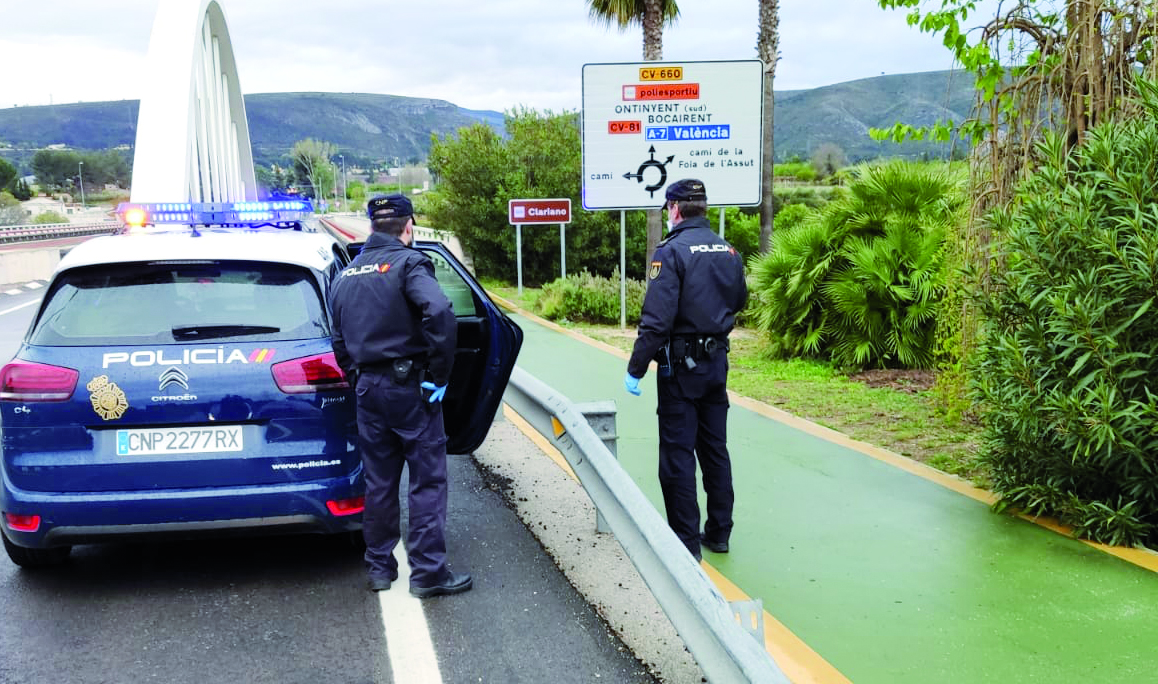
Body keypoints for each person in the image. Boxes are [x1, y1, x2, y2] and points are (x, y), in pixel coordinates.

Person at [327, 193, 471, 598]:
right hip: (410, 388)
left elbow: (338, 337)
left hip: (368, 389)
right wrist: (440, 373)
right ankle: (428, 574)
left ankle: (379, 569)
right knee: (426, 480)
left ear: (372, 227)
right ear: (409, 228)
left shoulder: (347, 274)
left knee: (379, 481)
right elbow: (440, 311)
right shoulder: (409, 263)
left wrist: (356, 376)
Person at [623, 179, 748, 562]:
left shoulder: (672, 252)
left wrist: (636, 367)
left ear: (674, 208)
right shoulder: (728, 251)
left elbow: (656, 321)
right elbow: (740, 299)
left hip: (680, 368)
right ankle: (720, 532)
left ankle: (685, 544)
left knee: (677, 455)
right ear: (704, 209)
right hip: (716, 364)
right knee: (715, 449)